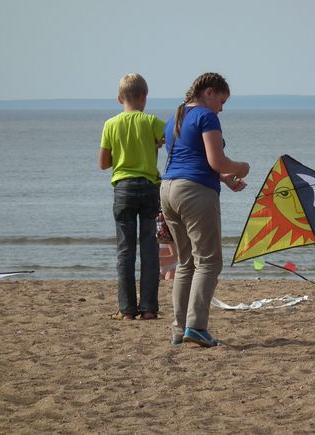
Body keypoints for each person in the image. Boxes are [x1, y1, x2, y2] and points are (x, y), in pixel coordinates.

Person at [160, 72, 250, 347]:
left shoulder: (174, 118)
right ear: (209, 92)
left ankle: (179, 329)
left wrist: (224, 179)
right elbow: (217, 160)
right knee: (209, 262)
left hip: (168, 189)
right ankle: (196, 327)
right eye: (221, 101)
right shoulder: (206, 116)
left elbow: (191, 159)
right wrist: (240, 167)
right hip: (195, 192)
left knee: (186, 262)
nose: (221, 108)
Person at [98, 73, 165, 320]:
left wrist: (123, 158)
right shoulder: (152, 122)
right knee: (149, 248)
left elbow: (103, 163)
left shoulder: (111, 124)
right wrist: (153, 146)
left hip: (123, 188)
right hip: (149, 187)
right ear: (144, 97)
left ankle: (127, 309)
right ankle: (148, 308)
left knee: (125, 250)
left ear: (119, 99)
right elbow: (172, 141)